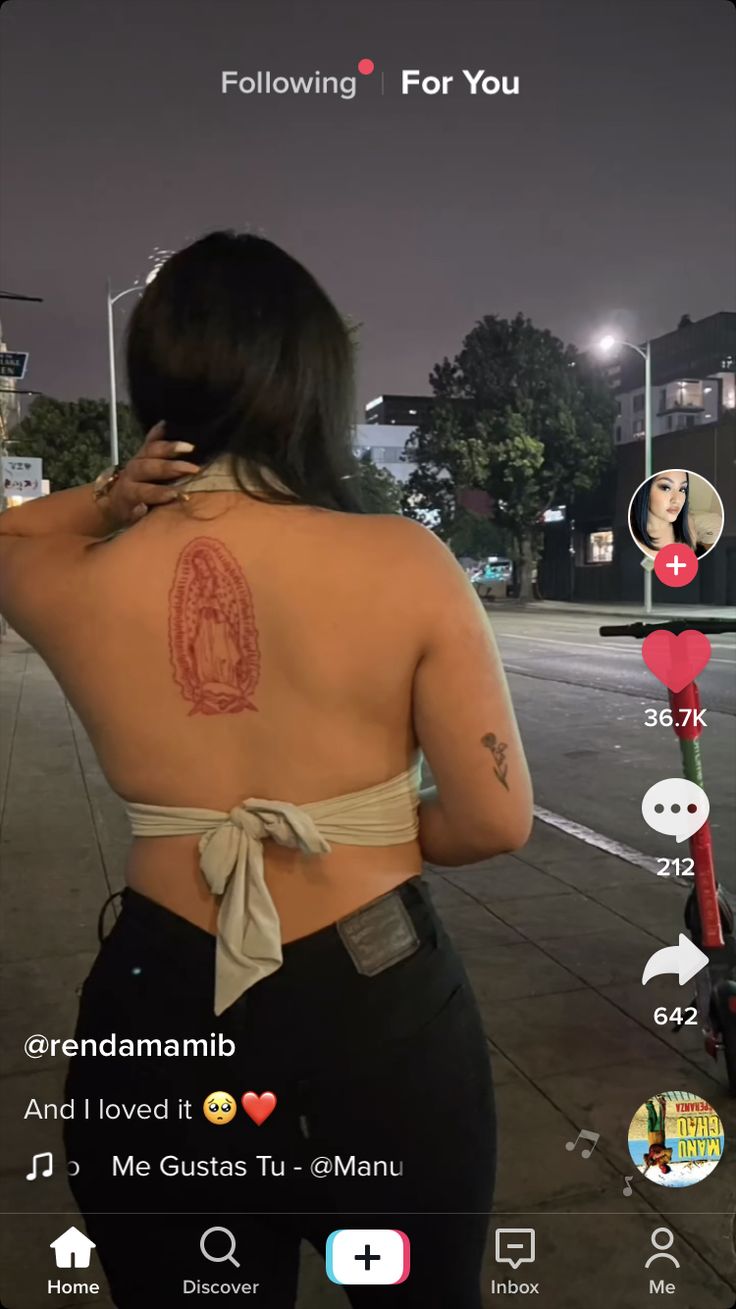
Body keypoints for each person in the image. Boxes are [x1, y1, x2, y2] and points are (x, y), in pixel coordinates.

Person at [0, 230, 533, 1308]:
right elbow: (495, 819)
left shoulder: (83, 579)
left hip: (158, 998)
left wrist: (111, 497)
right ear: (311, 380)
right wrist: (361, 825)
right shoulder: (404, 561)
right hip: (377, 1000)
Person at [628, 469, 718, 559]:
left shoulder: (687, 523)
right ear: (644, 489)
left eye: (682, 489)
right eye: (666, 488)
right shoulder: (631, 543)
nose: (677, 500)